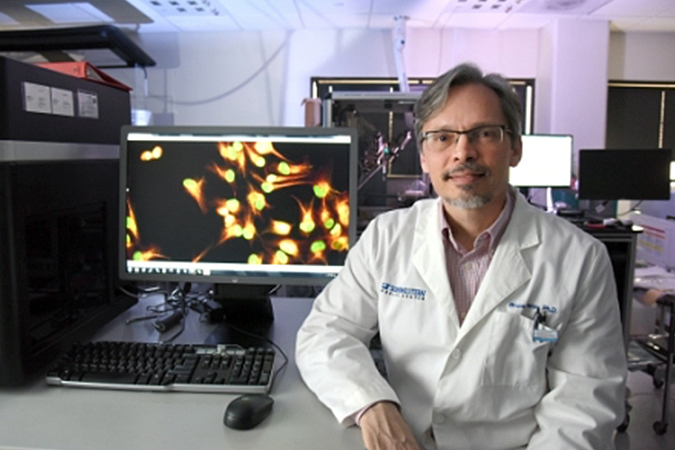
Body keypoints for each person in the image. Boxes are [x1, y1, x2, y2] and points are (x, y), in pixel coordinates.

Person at [295, 62, 627, 450]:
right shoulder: (386, 239)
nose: (463, 152)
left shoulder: (580, 259)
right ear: (423, 156)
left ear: (515, 147)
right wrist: (372, 403)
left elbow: (584, 405)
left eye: (484, 133)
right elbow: (325, 333)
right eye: (442, 137)